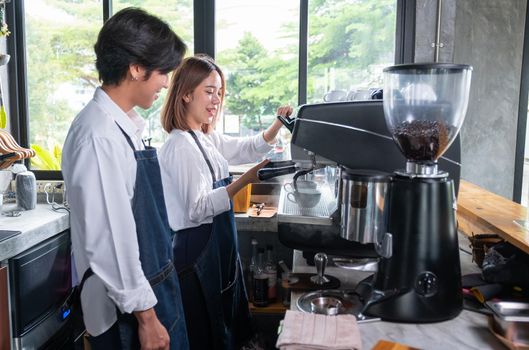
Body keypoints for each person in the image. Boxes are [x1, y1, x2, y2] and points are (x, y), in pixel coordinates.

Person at [62, 8, 189, 350]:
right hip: (126, 311)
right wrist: (147, 319)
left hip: (147, 289)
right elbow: (110, 239)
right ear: (136, 68)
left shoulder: (123, 126)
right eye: (163, 71)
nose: (166, 82)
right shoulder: (98, 135)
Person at [158, 55, 292, 349]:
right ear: (185, 93)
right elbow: (197, 209)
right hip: (195, 254)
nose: (216, 99)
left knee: (223, 322)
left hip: (218, 248)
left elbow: (246, 147)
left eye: (219, 92)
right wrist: (246, 179)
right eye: (208, 91)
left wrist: (276, 125)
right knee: (206, 331)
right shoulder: (179, 145)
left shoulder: (204, 137)